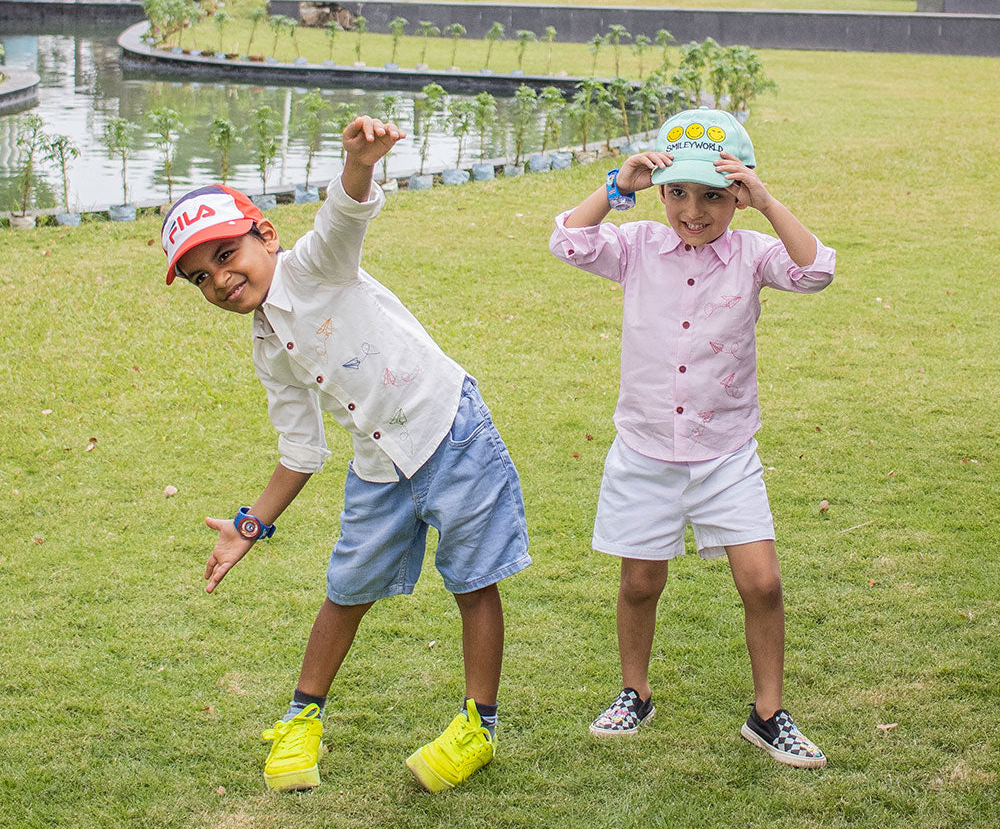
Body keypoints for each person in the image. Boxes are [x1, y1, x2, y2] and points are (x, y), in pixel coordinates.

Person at [161, 115, 530, 793]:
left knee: (472, 580)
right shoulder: (269, 348)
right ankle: (302, 718)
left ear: (265, 235)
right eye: (199, 277)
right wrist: (250, 527)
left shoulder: (316, 265)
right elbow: (301, 448)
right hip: (378, 466)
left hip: (450, 431)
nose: (218, 280)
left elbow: (344, 212)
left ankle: (479, 725)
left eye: (224, 255)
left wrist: (359, 162)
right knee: (345, 589)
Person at [548, 107, 834, 768]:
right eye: (678, 192)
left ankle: (768, 715)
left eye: (712, 195)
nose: (693, 211)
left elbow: (817, 270)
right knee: (641, 582)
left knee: (761, 583)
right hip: (645, 450)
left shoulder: (755, 254)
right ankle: (634, 692)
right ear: (661, 191)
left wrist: (765, 201)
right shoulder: (638, 245)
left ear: (737, 193)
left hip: (726, 452)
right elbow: (569, 240)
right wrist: (619, 188)